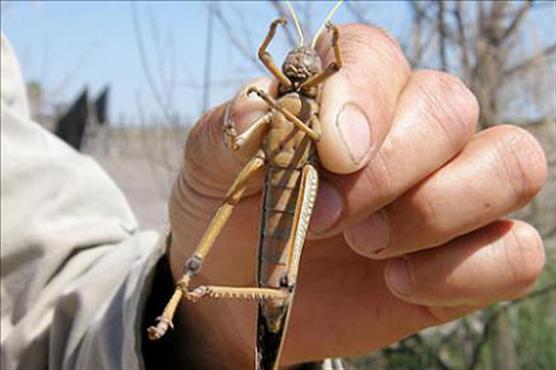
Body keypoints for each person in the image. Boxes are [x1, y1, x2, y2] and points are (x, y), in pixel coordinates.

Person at [0, 23, 547, 370]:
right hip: (263, 172)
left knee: (280, 279)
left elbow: (40, 281)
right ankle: (186, 303)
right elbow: (244, 129)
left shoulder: (308, 101)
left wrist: (210, 342)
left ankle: (210, 316)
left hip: (301, 190)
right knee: (217, 233)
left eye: (305, 64)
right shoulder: (277, 96)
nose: (294, 66)